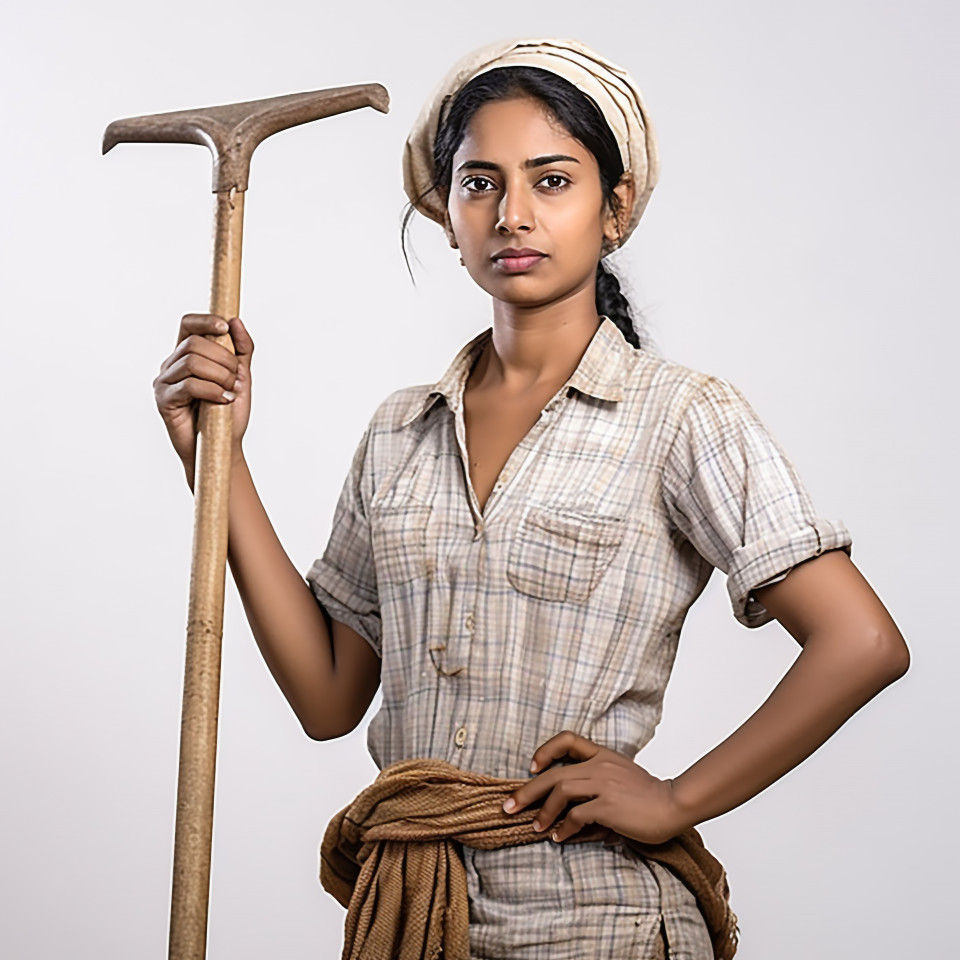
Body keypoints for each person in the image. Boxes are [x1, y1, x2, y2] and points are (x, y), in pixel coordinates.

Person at [153, 37, 910, 960]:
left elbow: (862, 641)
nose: (513, 214)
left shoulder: (679, 417)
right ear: (446, 216)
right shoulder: (402, 431)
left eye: (551, 181)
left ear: (614, 207)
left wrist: (675, 799)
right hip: (416, 919)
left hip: (593, 921)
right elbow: (327, 695)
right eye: (480, 183)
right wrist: (217, 462)